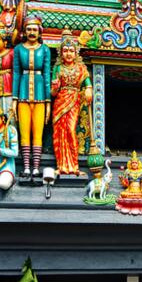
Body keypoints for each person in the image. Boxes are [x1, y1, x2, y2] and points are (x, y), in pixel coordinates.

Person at [12, 15, 52, 179]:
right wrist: (14, 99)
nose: (31, 32)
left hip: (40, 95)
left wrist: (48, 102)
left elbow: (47, 75)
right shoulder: (18, 49)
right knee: (24, 132)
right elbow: (16, 73)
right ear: (24, 31)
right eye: (28, 29)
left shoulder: (44, 50)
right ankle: (26, 167)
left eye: (34, 29)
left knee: (38, 132)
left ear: (39, 31)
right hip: (22, 94)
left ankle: (36, 167)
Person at [51, 31, 92, 175]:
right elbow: (53, 92)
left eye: (71, 51)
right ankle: (61, 165)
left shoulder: (81, 68)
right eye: (65, 51)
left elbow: (87, 83)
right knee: (59, 132)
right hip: (60, 101)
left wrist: (88, 89)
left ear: (76, 53)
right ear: (61, 53)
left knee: (70, 130)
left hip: (74, 100)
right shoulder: (58, 68)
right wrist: (55, 88)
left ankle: (74, 165)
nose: (68, 54)